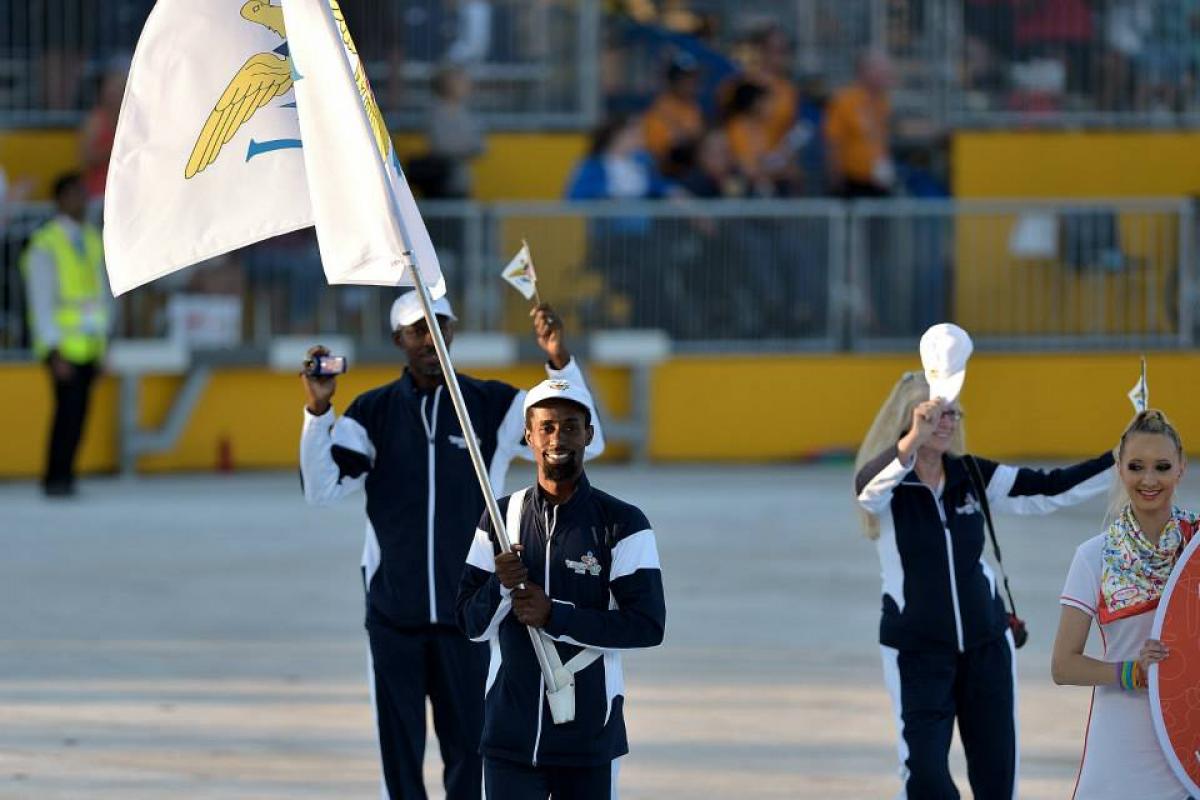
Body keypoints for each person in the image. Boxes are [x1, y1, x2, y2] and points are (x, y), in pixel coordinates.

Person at [298, 291, 605, 800]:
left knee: (470, 752)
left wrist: (558, 362)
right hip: (394, 615)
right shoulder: (371, 412)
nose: (431, 339)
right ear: (398, 340)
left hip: (472, 616)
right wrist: (317, 409)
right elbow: (321, 487)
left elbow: (586, 442)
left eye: (440, 326)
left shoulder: (491, 405)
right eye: (419, 330)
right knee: (399, 755)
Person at [853, 325, 1115, 800]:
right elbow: (866, 488)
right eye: (935, 415)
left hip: (986, 647)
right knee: (927, 780)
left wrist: (1122, 458)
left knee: (997, 780)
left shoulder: (972, 474)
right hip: (917, 653)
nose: (947, 423)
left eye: (953, 413)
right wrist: (912, 442)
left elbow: (1051, 488)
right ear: (910, 422)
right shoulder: (890, 488)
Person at [457, 378, 664, 799]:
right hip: (509, 742)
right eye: (547, 427)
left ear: (589, 434)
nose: (558, 438)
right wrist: (499, 585)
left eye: (571, 426)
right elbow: (468, 624)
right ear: (529, 435)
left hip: (588, 741)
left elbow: (646, 625)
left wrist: (556, 615)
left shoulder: (623, 523)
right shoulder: (498, 518)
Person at [1052, 409, 1195, 800]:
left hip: (1190, 744)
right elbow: (1063, 665)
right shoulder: (1093, 556)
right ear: (1119, 468)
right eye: (1136, 466)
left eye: (1162, 467)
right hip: (1120, 749)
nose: (1149, 480)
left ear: (1181, 467)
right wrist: (1134, 672)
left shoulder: (1196, 550)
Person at [21, 172, 111, 498]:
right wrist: (53, 348)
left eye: (83, 195)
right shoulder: (45, 243)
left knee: (79, 415)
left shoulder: (90, 238)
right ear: (60, 200)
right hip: (62, 345)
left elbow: (99, 294)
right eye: (75, 195)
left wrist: (103, 344)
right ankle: (55, 477)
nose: (82, 201)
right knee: (66, 415)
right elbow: (41, 299)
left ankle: (66, 475)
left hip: (88, 343)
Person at [823, 49, 895, 198]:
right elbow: (833, 141)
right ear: (864, 72)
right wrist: (836, 177)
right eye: (881, 72)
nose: (886, 77)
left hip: (878, 179)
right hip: (851, 182)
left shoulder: (882, 103)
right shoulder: (845, 100)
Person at [641, 55, 705, 175]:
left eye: (693, 79)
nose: (691, 84)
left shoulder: (693, 108)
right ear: (673, 81)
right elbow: (659, 155)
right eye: (685, 79)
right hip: (668, 173)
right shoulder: (660, 109)